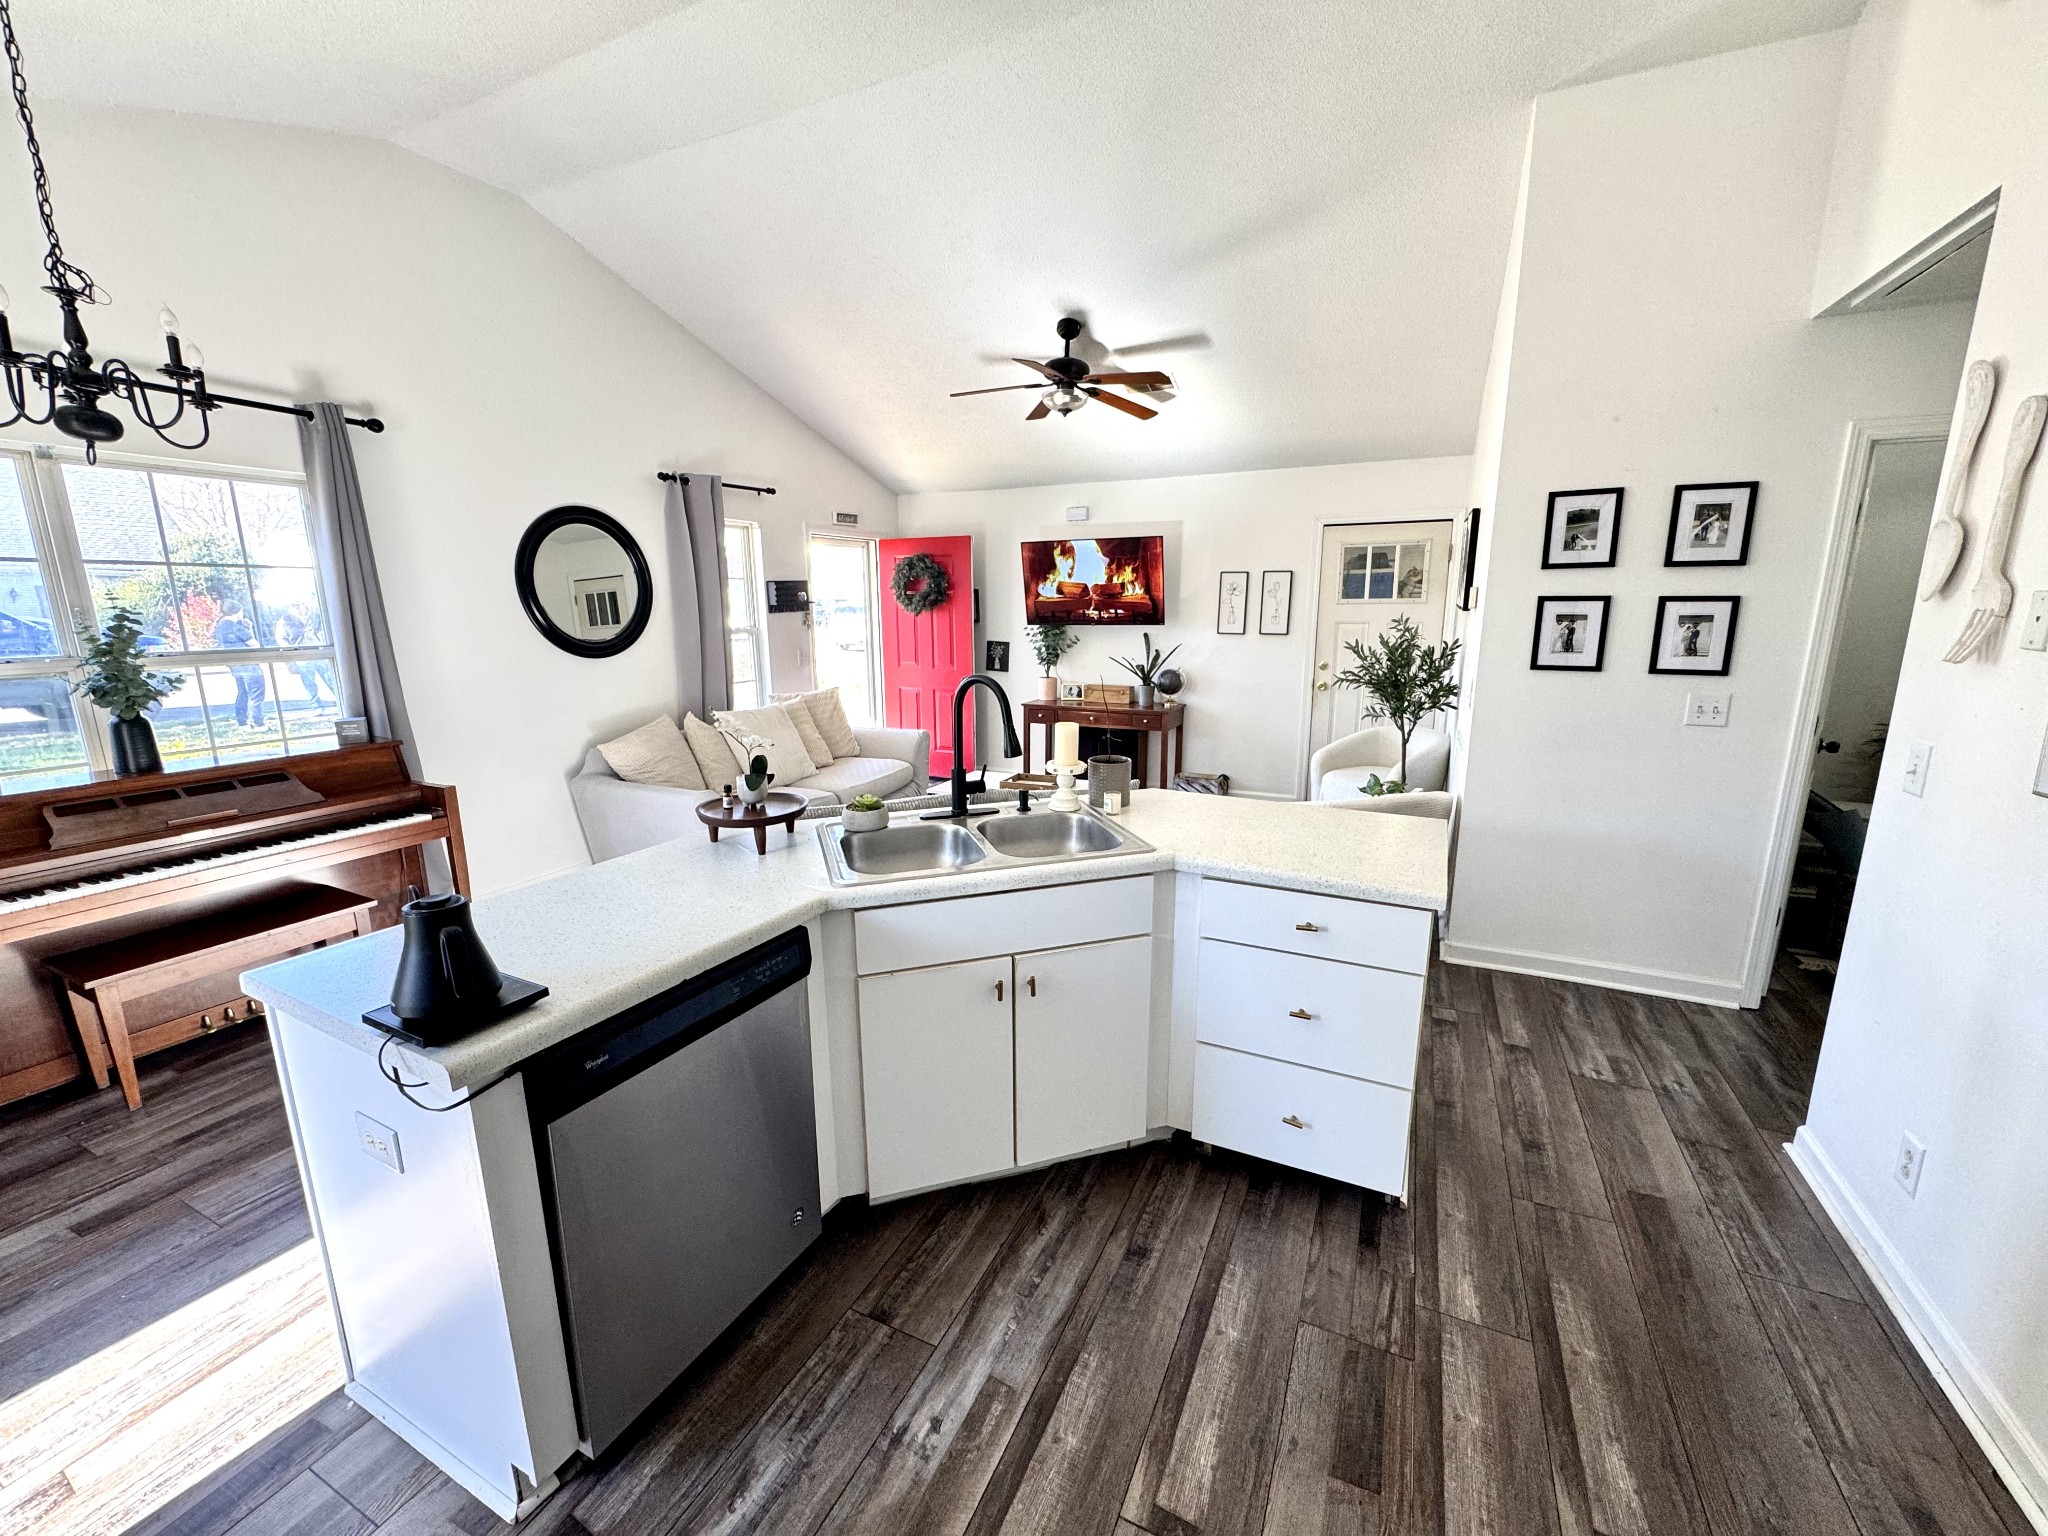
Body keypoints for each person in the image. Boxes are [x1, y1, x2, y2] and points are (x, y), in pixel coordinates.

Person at [212, 597, 267, 729]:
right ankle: (258, 722)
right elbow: (254, 645)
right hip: (249, 664)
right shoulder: (238, 628)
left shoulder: (219, 628)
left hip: (234, 665)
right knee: (256, 694)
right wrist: (250, 629)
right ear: (237, 612)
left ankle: (242, 721)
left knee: (242, 692)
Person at [274, 601, 335, 706]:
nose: (296, 607)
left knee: (331, 679)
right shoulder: (284, 621)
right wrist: (291, 651)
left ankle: (342, 700)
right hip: (302, 657)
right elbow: (281, 638)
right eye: (293, 605)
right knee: (309, 684)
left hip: (320, 654)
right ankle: (316, 706)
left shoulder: (316, 615)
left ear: (304, 604)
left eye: (298, 604)